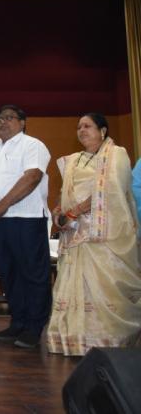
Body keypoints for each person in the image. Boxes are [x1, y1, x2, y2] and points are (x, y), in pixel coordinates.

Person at [46, 113, 141, 356]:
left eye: (87, 126)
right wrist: (59, 211)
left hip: (103, 236)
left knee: (103, 287)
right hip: (74, 234)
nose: (81, 130)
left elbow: (110, 190)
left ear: (103, 131)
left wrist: (75, 212)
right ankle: (75, 339)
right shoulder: (74, 160)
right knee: (73, 284)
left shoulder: (116, 154)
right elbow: (65, 192)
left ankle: (106, 340)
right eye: (79, 126)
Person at [0, 105, 51, 349]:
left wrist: (2, 205)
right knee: (9, 274)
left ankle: (34, 327)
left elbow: (32, 177)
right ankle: (17, 322)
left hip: (26, 219)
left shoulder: (33, 145)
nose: (3, 122)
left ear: (22, 122)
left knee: (32, 274)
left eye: (9, 118)